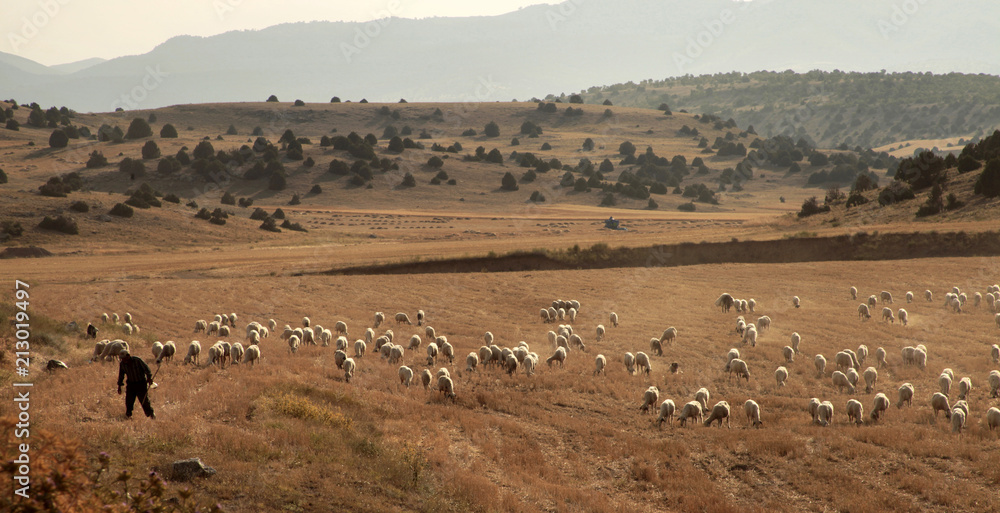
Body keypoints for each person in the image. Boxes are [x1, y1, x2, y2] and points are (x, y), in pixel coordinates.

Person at [117, 350, 155, 419]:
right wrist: (119, 386)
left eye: (124, 358)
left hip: (141, 383)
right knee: (129, 400)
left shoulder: (137, 360)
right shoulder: (122, 364)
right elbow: (121, 375)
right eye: (122, 358)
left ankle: (150, 414)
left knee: (144, 400)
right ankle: (128, 415)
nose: (123, 360)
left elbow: (146, 369)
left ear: (128, 356)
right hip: (131, 384)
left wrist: (149, 378)